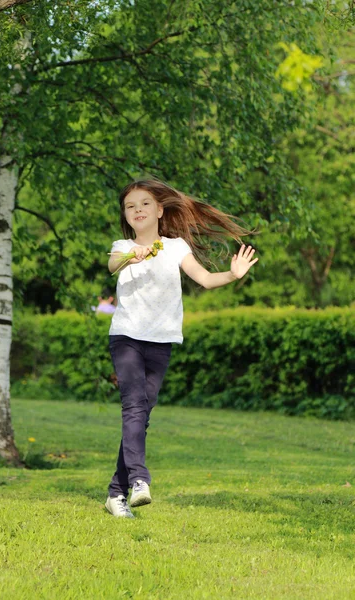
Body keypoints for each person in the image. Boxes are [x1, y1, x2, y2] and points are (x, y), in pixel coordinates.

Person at [105, 178, 259, 518]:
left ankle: (116, 494)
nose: (138, 210)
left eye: (144, 204)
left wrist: (232, 275)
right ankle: (139, 480)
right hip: (127, 337)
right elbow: (112, 264)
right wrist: (132, 255)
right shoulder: (122, 246)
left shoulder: (175, 248)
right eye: (130, 206)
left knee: (142, 413)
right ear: (126, 216)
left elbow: (204, 279)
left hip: (162, 340)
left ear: (160, 210)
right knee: (133, 406)